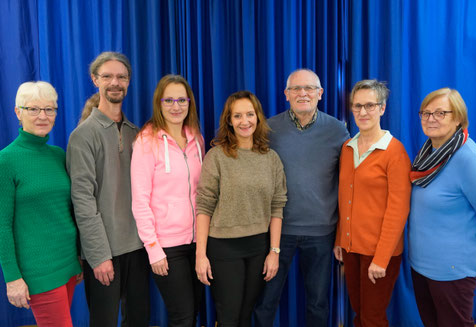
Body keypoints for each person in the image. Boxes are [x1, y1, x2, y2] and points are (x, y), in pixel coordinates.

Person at [254, 68, 349, 326]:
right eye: (296, 88)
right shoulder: (268, 129)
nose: (302, 93)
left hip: (321, 231)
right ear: (286, 94)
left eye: (309, 88)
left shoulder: (338, 130)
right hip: (277, 231)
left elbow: (349, 183)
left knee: (318, 302)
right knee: (266, 300)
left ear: (320, 93)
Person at [66, 52, 150, 327]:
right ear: (95, 80)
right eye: (108, 76)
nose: (115, 82)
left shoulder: (135, 132)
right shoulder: (83, 136)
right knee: (103, 322)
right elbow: (82, 201)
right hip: (104, 252)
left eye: (121, 77)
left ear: (128, 82)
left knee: (138, 320)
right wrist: (98, 254)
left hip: (138, 248)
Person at [195, 91, 287, 327]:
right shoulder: (216, 157)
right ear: (229, 120)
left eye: (249, 114)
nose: (245, 121)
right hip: (223, 247)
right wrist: (201, 255)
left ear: (258, 117)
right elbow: (204, 206)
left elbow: (277, 206)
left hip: (258, 247)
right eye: (237, 116)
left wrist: (274, 252)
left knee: (246, 314)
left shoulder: (271, 158)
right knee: (229, 316)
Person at [0, 81, 82, 326]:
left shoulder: (58, 155)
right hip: (39, 271)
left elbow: (65, 211)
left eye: (50, 109)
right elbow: (2, 226)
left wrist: (77, 256)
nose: (42, 116)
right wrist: (12, 278)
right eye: (33, 109)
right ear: (18, 112)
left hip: (68, 263)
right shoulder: (6, 161)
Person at [408, 88, 476, 327]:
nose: (431, 118)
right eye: (425, 113)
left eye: (440, 113)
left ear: (458, 119)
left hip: (453, 268)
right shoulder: (428, 153)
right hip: (423, 264)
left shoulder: (468, 158)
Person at [333, 80, 411, 326]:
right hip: (351, 249)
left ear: (382, 108)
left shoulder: (394, 152)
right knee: (359, 313)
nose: (363, 112)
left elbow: (398, 210)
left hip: (379, 253)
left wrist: (381, 258)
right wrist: (340, 240)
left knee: (372, 317)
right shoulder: (347, 148)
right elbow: (345, 200)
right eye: (357, 106)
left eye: (369, 105)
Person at [131, 74, 204, 327]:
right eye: (169, 100)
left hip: (198, 242)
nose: (176, 106)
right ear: (159, 103)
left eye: (182, 100)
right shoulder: (146, 141)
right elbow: (140, 200)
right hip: (167, 247)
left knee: (194, 311)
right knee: (182, 317)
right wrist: (153, 249)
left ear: (189, 103)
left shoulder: (196, 138)